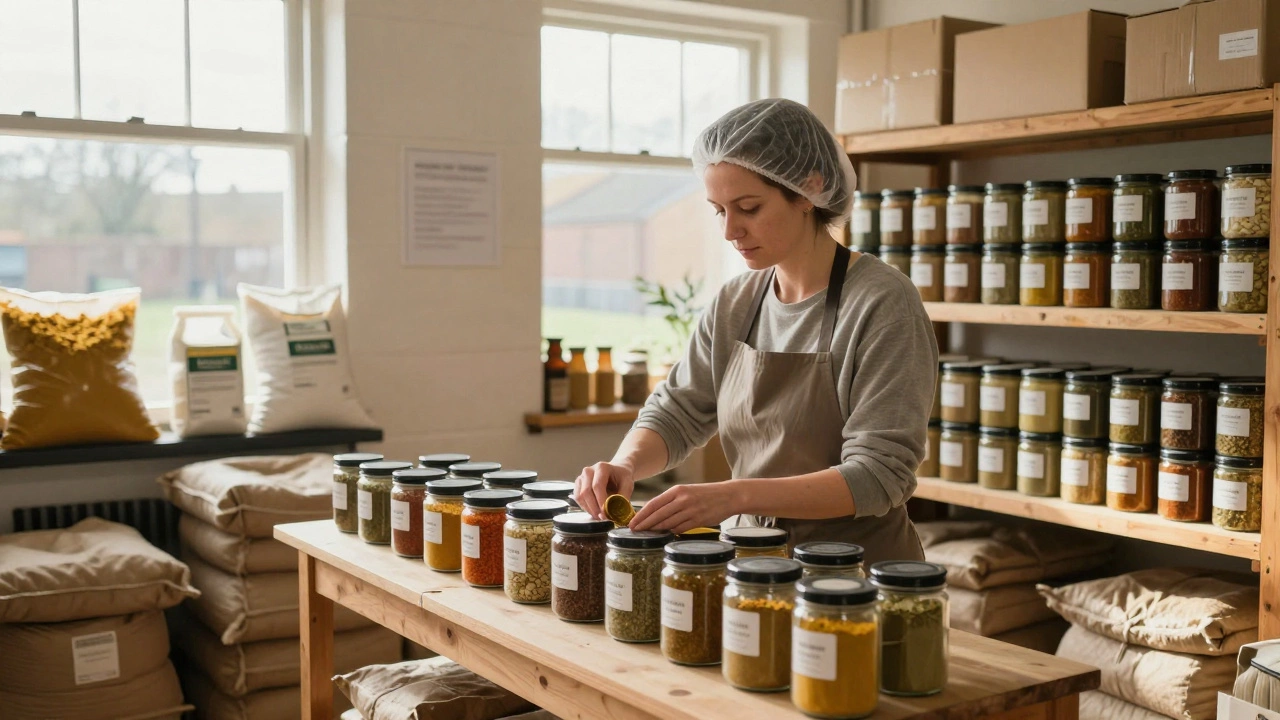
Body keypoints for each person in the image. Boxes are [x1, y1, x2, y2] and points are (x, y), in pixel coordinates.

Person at [574, 98, 937, 566]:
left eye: (748, 207)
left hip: (855, 577)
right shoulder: (737, 302)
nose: (730, 231)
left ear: (808, 189)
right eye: (719, 210)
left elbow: (879, 475)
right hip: (748, 566)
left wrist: (733, 496)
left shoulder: (882, 303)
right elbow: (678, 411)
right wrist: (625, 464)